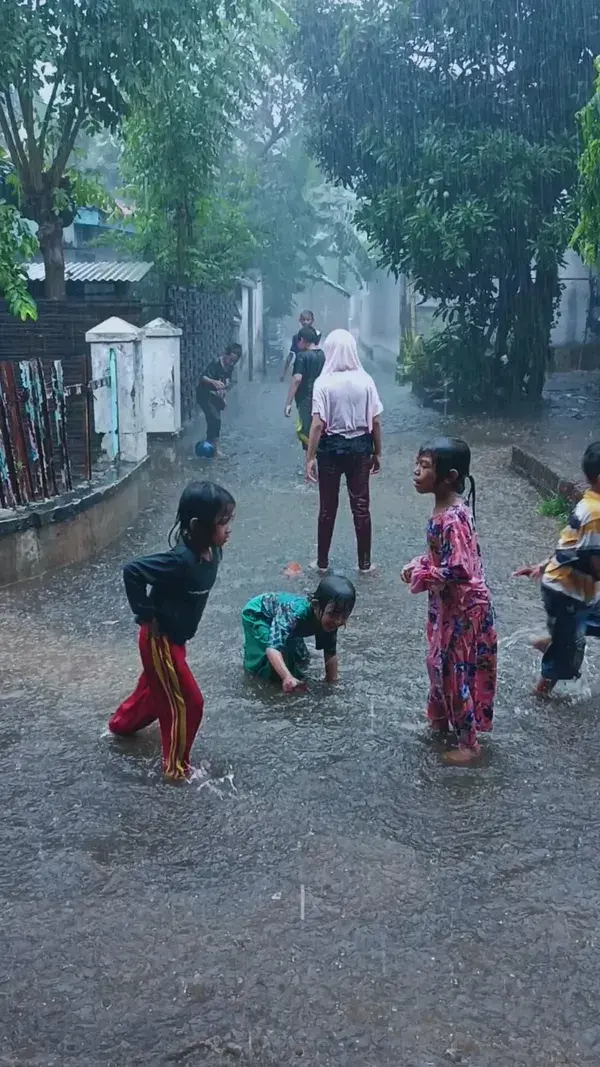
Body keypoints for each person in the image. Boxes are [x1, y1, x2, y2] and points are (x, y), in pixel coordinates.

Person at [109, 481, 236, 779]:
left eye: (230, 520)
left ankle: (119, 726)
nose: (229, 528)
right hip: (161, 640)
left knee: (156, 692)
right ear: (197, 526)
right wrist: (145, 615)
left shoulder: (213, 551)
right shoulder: (180, 560)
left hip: (177, 639)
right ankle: (176, 769)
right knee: (188, 703)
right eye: (222, 522)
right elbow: (133, 570)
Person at [401, 438, 497, 764]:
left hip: (464, 607)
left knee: (454, 672)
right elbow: (442, 556)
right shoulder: (443, 508)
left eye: (425, 466)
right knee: (437, 663)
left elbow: (460, 569)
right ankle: (440, 721)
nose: (416, 471)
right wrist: (420, 562)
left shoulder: (453, 518)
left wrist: (423, 575)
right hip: (449, 605)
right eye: (418, 463)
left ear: (449, 476)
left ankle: (470, 745)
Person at [513, 441, 600, 695]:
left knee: (574, 636)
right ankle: (541, 692)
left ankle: (554, 641)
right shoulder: (595, 513)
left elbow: (569, 542)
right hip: (566, 592)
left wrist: (541, 564)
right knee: (566, 659)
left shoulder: (591, 503)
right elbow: (595, 564)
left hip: (571, 586)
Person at [306, 329, 382, 574]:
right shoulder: (366, 381)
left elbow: (317, 424)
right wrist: (377, 452)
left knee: (327, 508)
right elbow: (376, 421)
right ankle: (365, 565)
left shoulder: (323, 382)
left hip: (330, 448)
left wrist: (309, 458)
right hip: (360, 446)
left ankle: (322, 563)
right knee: (361, 506)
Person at [242, 575, 356, 692]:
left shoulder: (330, 620)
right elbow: (273, 649)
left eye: (344, 615)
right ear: (316, 606)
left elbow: (330, 654)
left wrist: (332, 683)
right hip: (259, 614)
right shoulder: (294, 614)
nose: (338, 621)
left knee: (301, 658)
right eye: (333, 614)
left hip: (284, 620)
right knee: (273, 663)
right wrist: (287, 677)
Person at [284, 324, 325, 450]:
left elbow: (297, 379)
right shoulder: (322, 354)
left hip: (305, 399)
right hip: (320, 397)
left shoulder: (302, 356)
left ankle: (310, 464)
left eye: (299, 341)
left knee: (306, 432)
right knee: (320, 430)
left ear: (303, 340)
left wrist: (288, 403)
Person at [196, 343, 242, 453]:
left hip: (215, 396)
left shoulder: (230, 367)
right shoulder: (216, 363)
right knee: (215, 419)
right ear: (225, 354)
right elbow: (203, 377)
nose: (231, 363)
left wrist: (224, 393)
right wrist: (213, 381)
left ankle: (210, 443)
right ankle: (214, 447)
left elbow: (229, 382)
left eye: (234, 361)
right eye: (230, 360)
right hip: (204, 394)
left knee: (215, 420)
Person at [281, 310, 321, 382]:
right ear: (300, 321)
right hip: (300, 368)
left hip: (313, 369)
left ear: (312, 320)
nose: (305, 322)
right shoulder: (296, 337)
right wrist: (284, 373)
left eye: (308, 320)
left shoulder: (318, 335)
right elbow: (291, 354)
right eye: (303, 320)